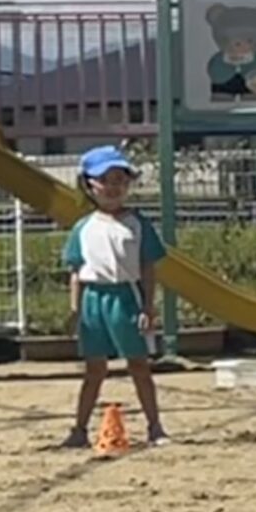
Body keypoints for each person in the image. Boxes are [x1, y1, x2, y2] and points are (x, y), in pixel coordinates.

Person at [61, 146, 169, 449]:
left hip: (126, 296)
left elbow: (148, 266)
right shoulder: (83, 228)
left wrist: (148, 305)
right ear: (89, 185)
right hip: (94, 299)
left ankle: (155, 426)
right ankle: (79, 428)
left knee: (138, 363)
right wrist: (75, 310)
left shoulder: (137, 224)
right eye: (105, 180)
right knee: (94, 368)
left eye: (120, 180)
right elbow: (76, 271)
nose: (113, 188)